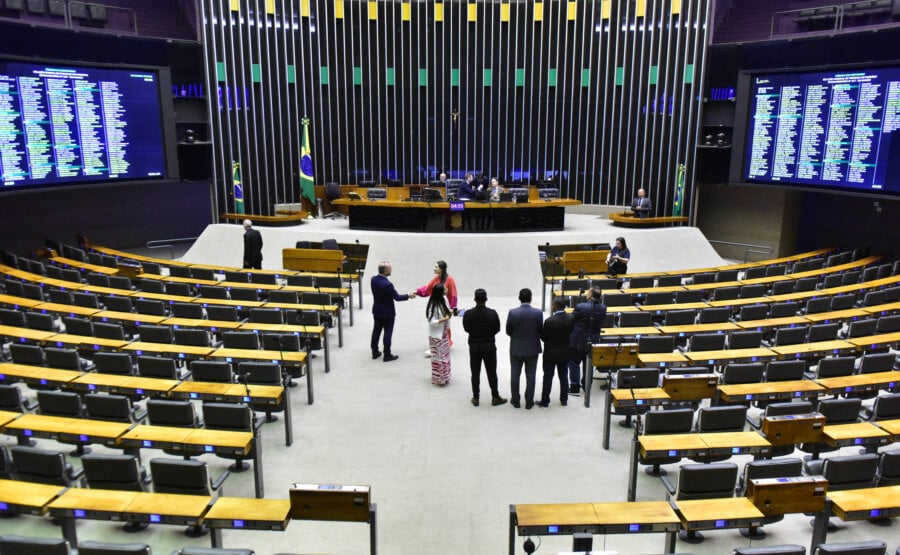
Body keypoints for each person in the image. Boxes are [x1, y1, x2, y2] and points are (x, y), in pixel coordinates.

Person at [462, 289, 508, 407]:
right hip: (489, 347)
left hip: (474, 347)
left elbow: (466, 329)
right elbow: (497, 329)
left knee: (475, 373)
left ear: (475, 299)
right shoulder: (492, 313)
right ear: (486, 299)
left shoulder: (468, 314)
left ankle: (476, 397)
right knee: (492, 372)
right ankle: (495, 396)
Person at [506, 288, 544, 409]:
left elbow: (508, 331)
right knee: (531, 375)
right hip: (532, 348)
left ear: (519, 298)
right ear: (531, 298)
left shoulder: (512, 312)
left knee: (515, 374)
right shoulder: (538, 313)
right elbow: (540, 330)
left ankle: (516, 401)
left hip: (516, 348)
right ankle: (529, 402)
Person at [370, 261, 416, 362]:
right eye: (390, 269)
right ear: (385, 270)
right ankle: (387, 354)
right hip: (388, 313)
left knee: (376, 331)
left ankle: (374, 352)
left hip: (377, 310)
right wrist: (408, 296)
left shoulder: (373, 280)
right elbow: (397, 297)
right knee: (387, 333)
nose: (391, 270)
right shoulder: (388, 284)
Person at [567, 286, 606, 397]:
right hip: (593, 341)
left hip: (578, 340)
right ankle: (586, 386)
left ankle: (575, 387)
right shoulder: (603, 308)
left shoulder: (580, 306)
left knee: (574, 363)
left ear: (591, 295)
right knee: (588, 364)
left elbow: (571, 320)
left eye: (588, 291)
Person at [538, 297, 575, 408]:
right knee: (563, 376)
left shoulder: (549, 321)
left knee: (548, 377)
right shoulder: (571, 318)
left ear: (554, 306)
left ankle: (545, 401)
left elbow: (543, 337)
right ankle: (564, 400)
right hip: (565, 352)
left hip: (550, 353)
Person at [417, 260, 459, 356]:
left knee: (445, 325)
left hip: (444, 305)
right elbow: (428, 289)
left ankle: (445, 343)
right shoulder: (436, 279)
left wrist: (453, 308)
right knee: (436, 324)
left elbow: (453, 294)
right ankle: (437, 345)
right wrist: (417, 291)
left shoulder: (450, 280)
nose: (434, 268)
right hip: (436, 305)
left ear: (441, 269)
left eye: (436, 267)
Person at [426, 284, 452, 385]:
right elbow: (431, 321)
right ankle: (439, 379)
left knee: (445, 356)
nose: (447, 289)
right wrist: (444, 319)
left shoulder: (444, 299)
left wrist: (451, 312)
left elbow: (447, 311)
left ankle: (446, 376)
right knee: (439, 358)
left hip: (444, 333)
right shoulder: (432, 304)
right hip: (436, 336)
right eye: (445, 289)